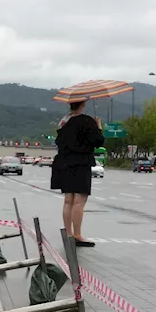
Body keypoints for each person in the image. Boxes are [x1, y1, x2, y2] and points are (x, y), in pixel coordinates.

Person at [51, 100, 104, 247]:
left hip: (64, 163)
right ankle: (78, 235)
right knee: (79, 201)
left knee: (68, 200)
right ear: (82, 105)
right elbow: (98, 141)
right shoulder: (86, 121)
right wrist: (98, 127)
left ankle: (68, 234)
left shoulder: (64, 121)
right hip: (80, 163)